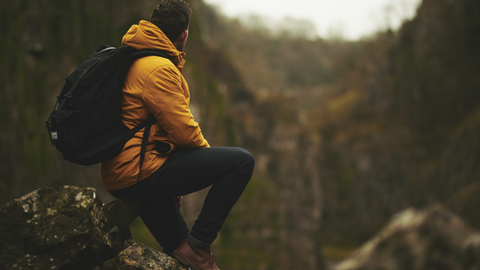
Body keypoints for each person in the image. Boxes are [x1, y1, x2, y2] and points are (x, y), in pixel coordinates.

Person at [100, 1, 255, 269]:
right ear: (183, 34)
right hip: (139, 172)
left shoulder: (136, 56)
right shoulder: (158, 68)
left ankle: (193, 252)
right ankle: (201, 244)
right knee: (241, 162)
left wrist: (176, 174)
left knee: (180, 253)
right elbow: (185, 132)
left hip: (128, 171)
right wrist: (199, 165)